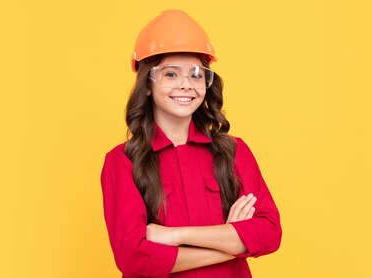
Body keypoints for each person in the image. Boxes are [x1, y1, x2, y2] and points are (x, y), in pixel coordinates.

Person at [100, 9, 282, 278]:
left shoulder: (233, 152)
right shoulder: (122, 161)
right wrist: (230, 242)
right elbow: (133, 257)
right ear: (147, 83)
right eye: (171, 74)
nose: (186, 85)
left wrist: (173, 236)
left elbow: (269, 233)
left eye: (197, 74)